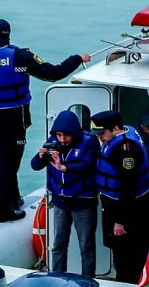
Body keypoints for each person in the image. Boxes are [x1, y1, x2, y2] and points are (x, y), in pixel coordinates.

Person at [0, 18, 91, 222]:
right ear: (7, 35)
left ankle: (14, 198)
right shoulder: (20, 57)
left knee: (4, 157)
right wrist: (77, 58)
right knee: (9, 163)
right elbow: (53, 74)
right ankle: (3, 211)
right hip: (13, 118)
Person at [91, 110, 149, 284]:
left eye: (102, 133)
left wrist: (120, 221)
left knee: (126, 255)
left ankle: (128, 285)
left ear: (115, 129)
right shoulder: (124, 132)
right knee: (120, 252)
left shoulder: (126, 151)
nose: (99, 137)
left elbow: (128, 187)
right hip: (117, 204)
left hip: (129, 210)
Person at [31, 110, 100, 277]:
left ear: (74, 133)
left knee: (86, 245)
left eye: (66, 135)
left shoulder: (89, 142)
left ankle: (87, 279)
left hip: (82, 201)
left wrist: (64, 167)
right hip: (60, 202)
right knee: (58, 244)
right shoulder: (53, 143)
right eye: (59, 135)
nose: (62, 139)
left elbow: (88, 165)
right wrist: (41, 157)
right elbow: (34, 165)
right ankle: (56, 276)